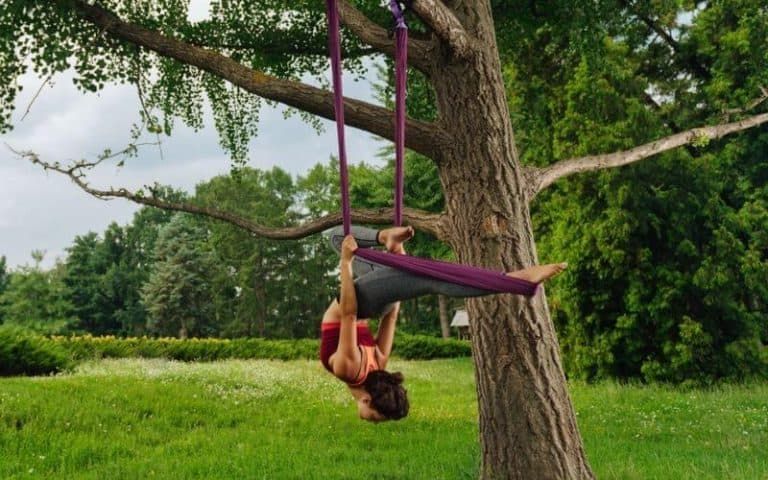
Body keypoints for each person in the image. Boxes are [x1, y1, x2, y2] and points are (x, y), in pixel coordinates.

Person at [319, 226, 567, 422]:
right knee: (427, 277)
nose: (373, 422)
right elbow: (375, 315)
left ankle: (388, 239)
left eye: (376, 420)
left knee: (336, 237)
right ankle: (517, 280)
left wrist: (350, 263)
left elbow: (361, 315)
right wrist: (387, 262)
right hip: (367, 301)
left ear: (368, 400)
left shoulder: (355, 368)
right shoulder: (362, 369)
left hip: (364, 302)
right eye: (377, 419)